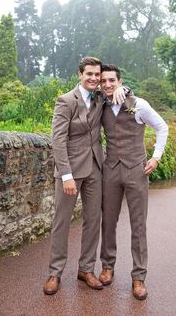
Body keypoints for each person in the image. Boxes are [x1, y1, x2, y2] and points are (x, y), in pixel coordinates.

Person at [43, 57, 126, 295]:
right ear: (80, 74)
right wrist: (66, 175)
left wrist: (122, 88)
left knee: (93, 220)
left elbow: (122, 94)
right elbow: (58, 140)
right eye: (89, 74)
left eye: (96, 75)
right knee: (62, 222)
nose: (93, 78)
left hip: (95, 168)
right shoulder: (66, 100)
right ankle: (55, 272)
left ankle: (86, 269)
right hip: (69, 171)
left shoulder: (101, 97)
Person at [98, 64, 169, 300]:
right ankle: (107, 266)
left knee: (138, 225)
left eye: (112, 81)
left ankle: (138, 277)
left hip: (137, 171)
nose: (107, 85)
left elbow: (162, 127)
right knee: (108, 221)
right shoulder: (101, 103)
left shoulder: (139, 104)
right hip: (110, 171)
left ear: (120, 81)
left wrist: (156, 157)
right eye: (103, 81)